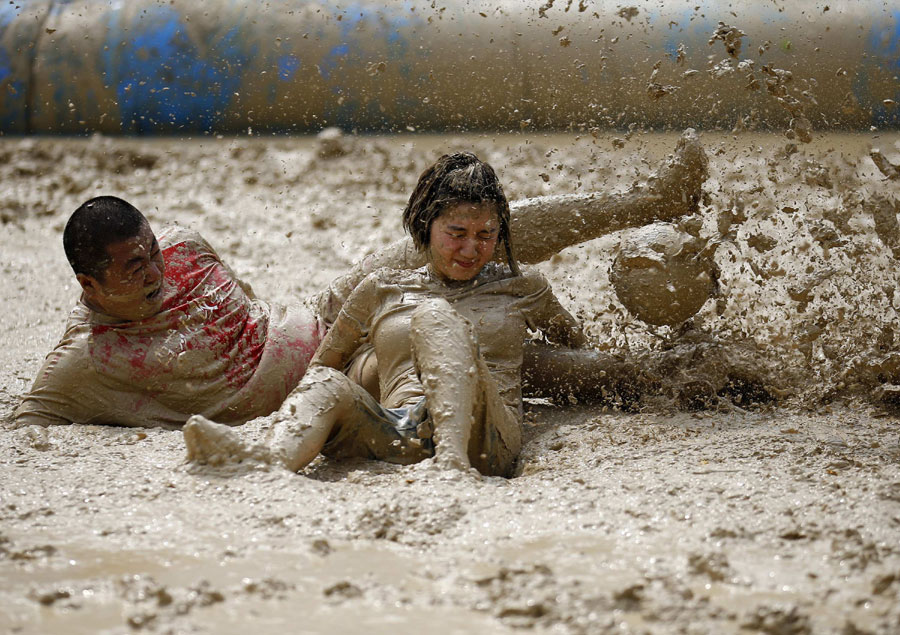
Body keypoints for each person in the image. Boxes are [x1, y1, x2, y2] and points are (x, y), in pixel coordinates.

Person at [12, 129, 708, 429]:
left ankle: (653, 199)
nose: (157, 271)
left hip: (326, 309)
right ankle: (679, 376)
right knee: (498, 355)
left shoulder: (186, 247)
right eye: (135, 269)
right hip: (341, 375)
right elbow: (22, 424)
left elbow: (248, 309)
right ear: (91, 285)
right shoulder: (87, 362)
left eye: (151, 251)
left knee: (462, 230)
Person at [183, 152, 591, 477]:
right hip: (400, 432)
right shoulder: (382, 288)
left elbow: (577, 346)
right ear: (426, 225)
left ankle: (451, 466)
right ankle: (267, 458)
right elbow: (320, 368)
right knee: (326, 383)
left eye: (486, 235)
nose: (471, 251)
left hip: (484, 439)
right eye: (457, 234)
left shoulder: (523, 287)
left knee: (435, 316)